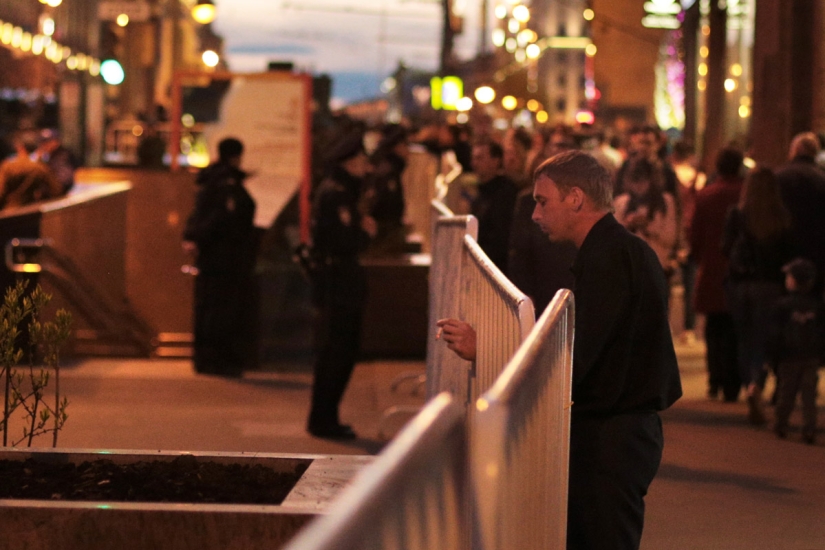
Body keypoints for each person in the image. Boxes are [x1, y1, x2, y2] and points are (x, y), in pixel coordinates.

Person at [439, 150, 682, 550]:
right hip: (618, 432)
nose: (535, 214)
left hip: (612, 438)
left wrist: (489, 348)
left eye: (542, 201)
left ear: (575, 198)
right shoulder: (615, 252)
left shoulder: (610, 258)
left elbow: (576, 358)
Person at [306, 129, 376, 440]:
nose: (366, 168)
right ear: (347, 163)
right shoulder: (337, 195)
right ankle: (323, 419)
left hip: (339, 282)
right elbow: (343, 241)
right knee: (337, 352)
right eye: (361, 162)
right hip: (338, 285)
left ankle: (327, 416)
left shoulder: (339, 191)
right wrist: (366, 233)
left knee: (339, 352)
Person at [721, 167, 794, 424]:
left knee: (744, 338)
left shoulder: (737, 214)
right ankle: (757, 384)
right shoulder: (781, 216)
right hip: (770, 286)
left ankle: (749, 383)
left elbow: (726, 248)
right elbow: (788, 254)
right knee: (763, 339)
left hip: (741, 286)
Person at [183, 137, 258, 378]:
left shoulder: (211, 179)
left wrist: (194, 238)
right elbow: (224, 217)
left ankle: (206, 358)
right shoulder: (228, 184)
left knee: (209, 307)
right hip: (226, 257)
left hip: (213, 255)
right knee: (222, 309)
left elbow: (201, 214)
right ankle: (217, 359)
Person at [690, 147, 745, 402]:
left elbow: (696, 236)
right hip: (740, 271)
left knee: (714, 328)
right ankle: (733, 382)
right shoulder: (747, 195)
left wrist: (695, 257)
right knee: (735, 328)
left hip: (712, 269)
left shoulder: (707, 196)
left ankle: (715, 379)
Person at [767, 258, 825, 445]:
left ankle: (781, 423)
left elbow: (775, 333)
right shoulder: (817, 306)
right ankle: (809, 428)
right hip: (811, 357)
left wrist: (773, 356)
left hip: (788, 357)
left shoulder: (782, 306)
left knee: (786, 392)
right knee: (809, 395)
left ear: (792, 281)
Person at [775, 132, 825, 293]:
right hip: (815, 250)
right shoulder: (821, 179)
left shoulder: (779, 177)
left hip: (783, 247)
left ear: (796, 149)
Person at [613, 157, 679, 277]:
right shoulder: (622, 202)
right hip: (628, 269)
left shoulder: (665, 202)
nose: (639, 186)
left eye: (643, 181)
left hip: (656, 267)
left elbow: (670, 238)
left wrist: (647, 226)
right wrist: (627, 226)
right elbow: (612, 240)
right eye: (635, 181)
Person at [469, 139, 518, 274]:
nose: (474, 164)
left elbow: (501, 237)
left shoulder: (506, 193)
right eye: (473, 158)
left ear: (495, 161)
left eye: (480, 158)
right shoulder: (482, 192)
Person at [364, 124, 409, 256]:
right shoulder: (387, 172)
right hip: (384, 238)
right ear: (397, 147)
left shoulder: (388, 167)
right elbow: (381, 206)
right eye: (405, 145)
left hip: (386, 235)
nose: (408, 151)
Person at [0, 132, 63, 209]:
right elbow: (56, 190)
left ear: (20, 148)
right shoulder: (39, 167)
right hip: (32, 210)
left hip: (10, 212)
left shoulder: (8, 166)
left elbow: (1, 192)